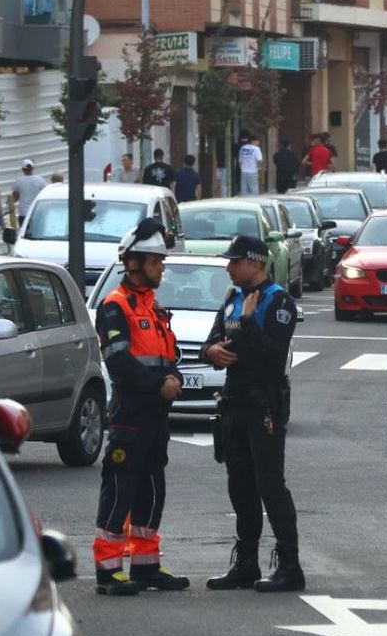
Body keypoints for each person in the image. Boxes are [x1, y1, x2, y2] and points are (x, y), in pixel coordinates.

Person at [91, 219, 188, 595]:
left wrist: (174, 376)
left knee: (151, 490)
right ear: (134, 263)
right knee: (120, 490)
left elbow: (166, 355)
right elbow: (119, 362)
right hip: (130, 417)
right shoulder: (115, 307)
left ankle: (146, 566)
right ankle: (108, 569)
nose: (162, 266)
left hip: (156, 418)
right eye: (156, 260)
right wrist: (159, 385)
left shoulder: (154, 308)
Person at [204, 234, 303, 592]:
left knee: (270, 485)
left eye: (235, 261)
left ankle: (290, 566)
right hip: (234, 404)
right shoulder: (232, 299)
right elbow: (211, 342)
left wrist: (248, 324)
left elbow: (275, 358)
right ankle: (246, 563)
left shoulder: (278, 302)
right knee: (240, 487)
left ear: (255, 263)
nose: (229, 267)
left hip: (264, 406)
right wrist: (211, 352)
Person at [10, 160, 47, 226]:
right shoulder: (40, 180)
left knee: (24, 234)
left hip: (24, 213)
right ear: (33, 168)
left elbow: (15, 198)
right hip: (37, 212)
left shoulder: (18, 181)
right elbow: (45, 194)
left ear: (23, 169)